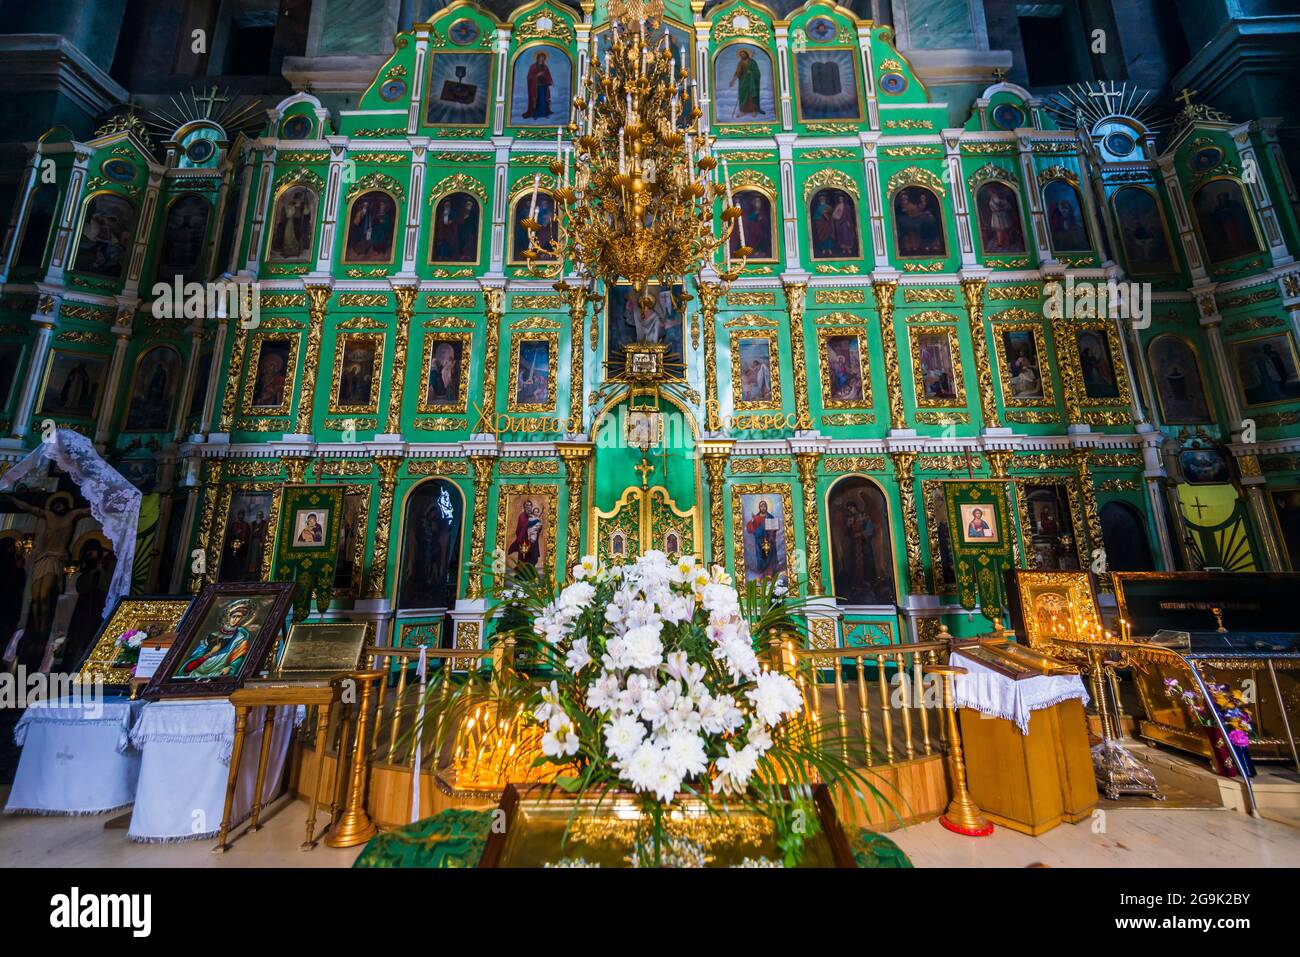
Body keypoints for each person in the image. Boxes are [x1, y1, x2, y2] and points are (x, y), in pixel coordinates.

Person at [4, 492, 92, 672]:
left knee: (45, 596)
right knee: (35, 597)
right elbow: (27, 508)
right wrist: (10, 498)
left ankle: (43, 626)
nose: (59, 507)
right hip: (42, 558)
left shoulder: (72, 516)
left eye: (61, 505)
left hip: (56, 558)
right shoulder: (48, 515)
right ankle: (37, 625)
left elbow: (87, 511)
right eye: (56, 505)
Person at [180, 599, 255, 679]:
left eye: (239, 617)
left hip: (218, 674)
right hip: (196, 673)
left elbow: (239, 657)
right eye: (234, 616)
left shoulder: (240, 638)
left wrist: (230, 667)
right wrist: (210, 653)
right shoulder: (212, 635)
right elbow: (190, 665)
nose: (236, 619)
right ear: (228, 617)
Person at [746, 500, 779, 578]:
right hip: (759, 541)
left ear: (766, 507)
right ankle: (762, 573)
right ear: (759, 508)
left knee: (770, 557)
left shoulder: (770, 517)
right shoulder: (756, 518)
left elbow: (774, 530)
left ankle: (770, 573)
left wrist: (771, 534)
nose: (763, 508)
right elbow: (752, 529)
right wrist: (757, 530)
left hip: (769, 540)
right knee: (761, 557)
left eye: (764, 506)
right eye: (761, 506)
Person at [729, 48, 762, 119]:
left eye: (743, 54)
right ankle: (744, 111)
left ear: (747, 54)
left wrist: (752, 73)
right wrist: (732, 81)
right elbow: (737, 73)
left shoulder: (752, 62)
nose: (742, 55)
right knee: (743, 96)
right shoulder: (740, 63)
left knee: (751, 95)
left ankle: (754, 110)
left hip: (752, 82)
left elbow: (757, 73)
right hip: (743, 82)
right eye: (741, 55)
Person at [522, 51, 554, 120]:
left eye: (543, 58)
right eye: (540, 57)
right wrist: (537, 75)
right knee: (536, 99)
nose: (542, 59)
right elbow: (529, 77)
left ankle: (544, 114)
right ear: (538, 58)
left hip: (544, 86)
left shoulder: (545, 67)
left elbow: (548, 75)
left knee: (543, 99)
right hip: (535, 87)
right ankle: (535, 114)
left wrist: (549, 80)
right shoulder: (533, 66)